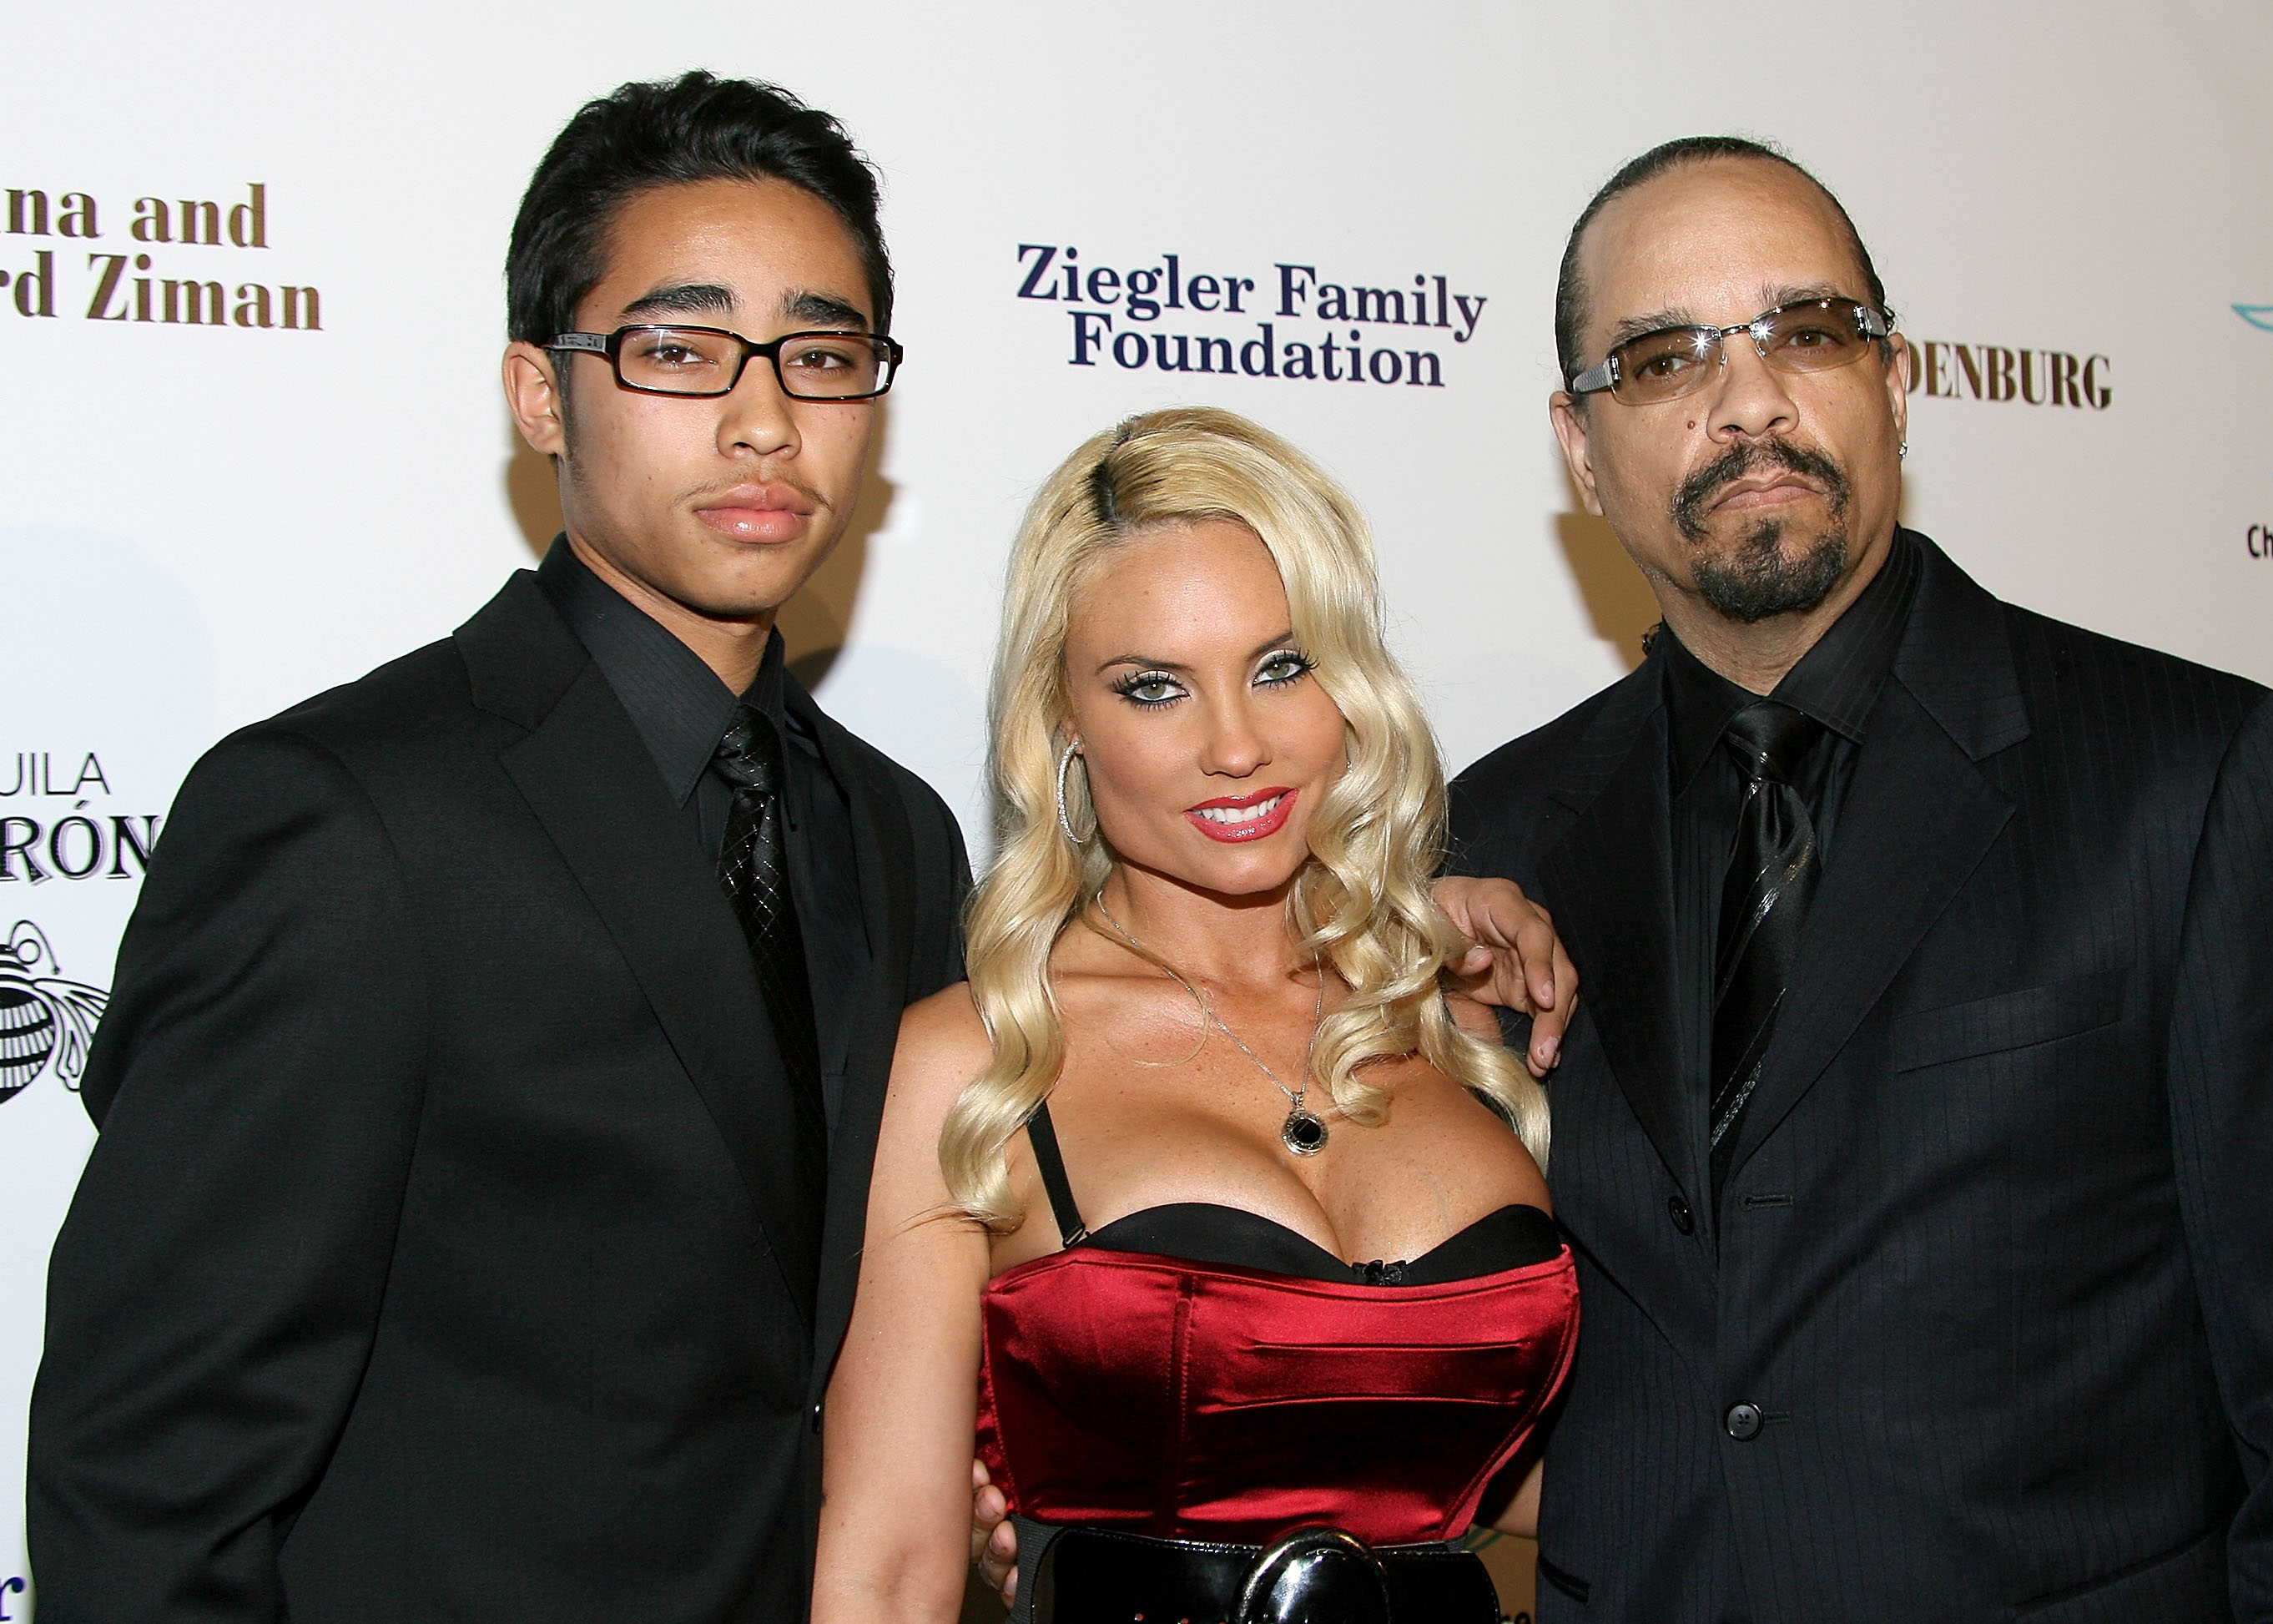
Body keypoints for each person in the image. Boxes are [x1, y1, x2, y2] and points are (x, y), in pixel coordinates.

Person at [25, 76, 1574, 1621]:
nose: (764, 418)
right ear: (541, 393)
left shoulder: (889, 834)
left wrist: (1400, 906)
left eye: (822, 357)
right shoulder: (342, 816)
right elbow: (149, 1480)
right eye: (679, 350)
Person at [1446, 138, 2273, 1622]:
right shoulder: (1490, 837)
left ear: (1898, 379)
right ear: (1580, 443)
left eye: (1806, 331)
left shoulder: (2201, 782)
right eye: (1664, 358)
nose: (1750, 402)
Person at [812, 407, 1580, 1624]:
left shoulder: (1450, 1013)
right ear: (1066, 724)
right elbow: (886, 1573)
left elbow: (1551, 1471)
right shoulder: (973, 1063)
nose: (1237, 745)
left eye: (1283, 666)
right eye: (1154, 688)